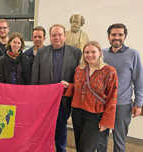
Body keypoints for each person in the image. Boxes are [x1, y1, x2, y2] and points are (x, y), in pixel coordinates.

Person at [32, 24, 81, 152]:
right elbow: (35, 76)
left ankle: (61, 150)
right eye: (54, 35)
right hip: (44, 100)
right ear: (50, 37)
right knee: (43, 129)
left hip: (64, 100)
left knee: (61, 129)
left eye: (59, 34)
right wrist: (35, 98)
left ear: (65, 36)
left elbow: (78, 78)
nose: (57, 37)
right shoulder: (42, 52)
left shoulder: (75, 53)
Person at [61, 41, 118, 152]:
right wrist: (69, 86)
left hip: (94, 115)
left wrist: (106, 121)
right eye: (86, 52)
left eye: (93, 52)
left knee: (86, 149)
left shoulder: (109, 71)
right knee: (79, 146)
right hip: (77, 113)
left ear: (100, 53)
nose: (89, 55)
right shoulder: (79, 69)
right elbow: (78, 89)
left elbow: (112, 97)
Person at [97, 23, 143, 152]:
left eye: (120, 34)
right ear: (108, 37)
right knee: (100, 140)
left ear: (125, 36)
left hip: (122, 105)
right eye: (113, 35)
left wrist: (139, 104)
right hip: (102, 104)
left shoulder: (133, 54)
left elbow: (139, 81)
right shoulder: (102, 53)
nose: (116, 37)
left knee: (119, 141)